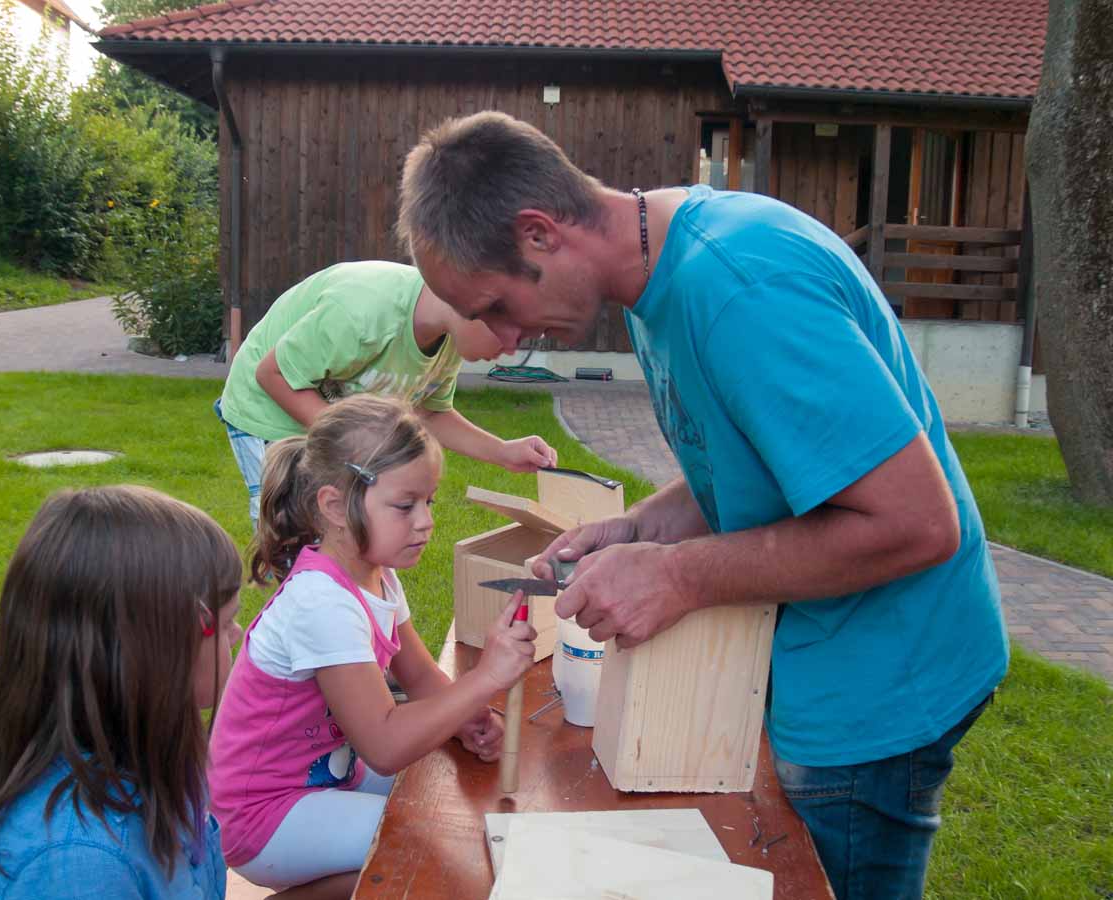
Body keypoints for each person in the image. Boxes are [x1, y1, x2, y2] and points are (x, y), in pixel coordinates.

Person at [397, 111, 1008, 900]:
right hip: (824, 650)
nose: (504, 339)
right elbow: (764, 455)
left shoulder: (742, 289)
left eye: (496, 306)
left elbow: (916, 523)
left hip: (880, 677)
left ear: (540, 233)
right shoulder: (657, 276)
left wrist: (680, 576)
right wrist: (641, 527)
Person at [208, 394, 536, 898]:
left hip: (326, 778)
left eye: (428, 502)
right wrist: (485, 679)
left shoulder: (374, 576)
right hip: (264, 813)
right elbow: (384, 747)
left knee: (440, 798)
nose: (425, 521)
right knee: (416, 842)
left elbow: (420, 678)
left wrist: (467, 720)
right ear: (334, 506)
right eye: (405, 506)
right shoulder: (322, 602)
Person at [0, 485, 244, 900]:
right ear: (163, 647)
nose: (236, 634)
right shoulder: (78, 865)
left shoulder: (154, 754)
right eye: (228, 621)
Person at [215, 259, 557, 525]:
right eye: (513, 333)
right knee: (294, 535)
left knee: (348, 529)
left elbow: (428, 412)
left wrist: (502, 452)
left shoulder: (450, 339)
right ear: (472, 303)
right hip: (268, 410)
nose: (512, 348)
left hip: (330, 419)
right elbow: (272, 374)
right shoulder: (362, 313)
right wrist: (356, 442)